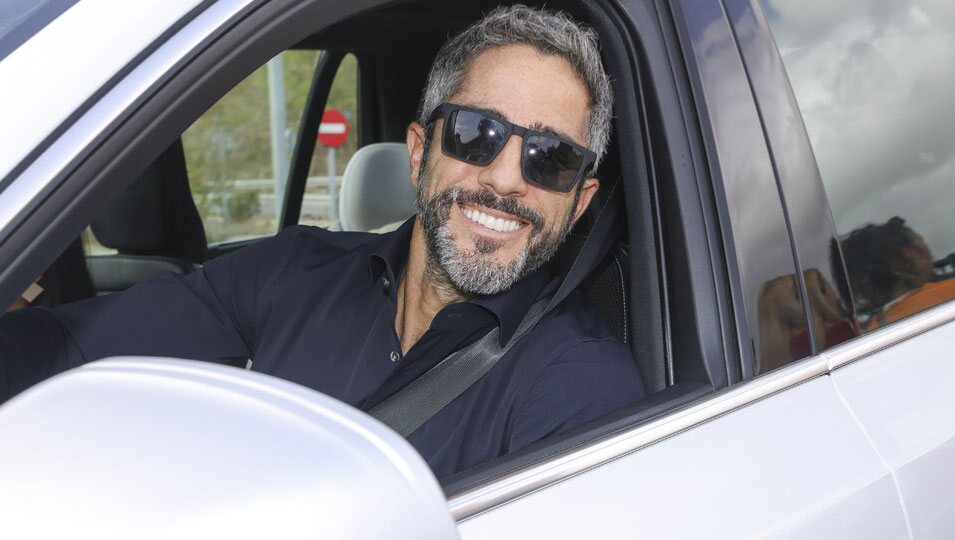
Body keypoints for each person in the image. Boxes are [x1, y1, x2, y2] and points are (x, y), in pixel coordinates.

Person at [0, 5, 644, 478]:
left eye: (551, 158)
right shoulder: (293, 272)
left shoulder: (580, 389)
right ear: (419, 153)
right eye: (477, 133)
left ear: (578, 201)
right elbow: (71, 347)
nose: (505, 178)